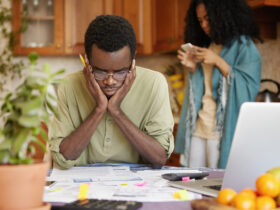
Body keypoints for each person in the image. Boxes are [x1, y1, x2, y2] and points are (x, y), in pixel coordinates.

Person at [49, 15, 174, 169]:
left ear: (132, 62)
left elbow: (159, 157)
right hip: (81, 186)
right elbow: (63, 156)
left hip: (138, 187)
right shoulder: (68, 86)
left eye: (120, 72)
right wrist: (99, 108)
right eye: (100, 72)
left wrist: (116, 111)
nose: (110, 81)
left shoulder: (154, 83)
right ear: (87, 62)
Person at [175, 0, 262, 169]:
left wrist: (218, 62)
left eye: (208, 18)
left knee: (217, 186)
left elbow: (249, 87)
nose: (204, 25)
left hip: (220, 133)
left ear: (222, 15)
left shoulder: (244, 46)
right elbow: (205, 87)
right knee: (191, 183)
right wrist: (193, 68)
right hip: (199, 127)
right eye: (200, 21)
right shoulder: (210, 45)